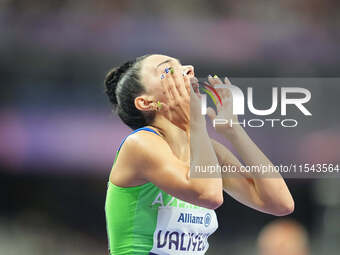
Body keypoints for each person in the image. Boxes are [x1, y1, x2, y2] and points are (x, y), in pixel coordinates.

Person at [104, 54, 294, 254]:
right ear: (146, 102)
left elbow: (280, 203)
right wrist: (194, 124)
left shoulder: (208, 150)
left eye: (182, 65)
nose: (189, 69)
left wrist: (233, 130)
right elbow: (208, 195)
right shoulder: (141, 144)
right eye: (168, 70)